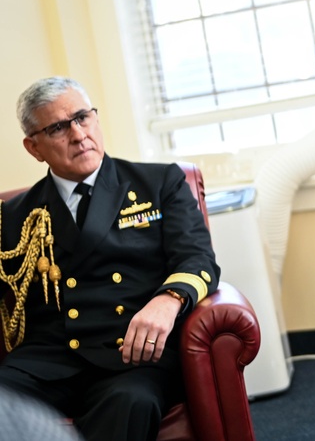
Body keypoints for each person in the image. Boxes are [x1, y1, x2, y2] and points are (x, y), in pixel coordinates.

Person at [0, 77, 220, 441]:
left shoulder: (158, 183)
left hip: (132, 355)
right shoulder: (14, 215)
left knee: (130, 403)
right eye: (58, 127)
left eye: (82, 117)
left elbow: (198, 259)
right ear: (33, 147)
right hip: (51, 358)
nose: (78, 134)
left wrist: (168, 300)